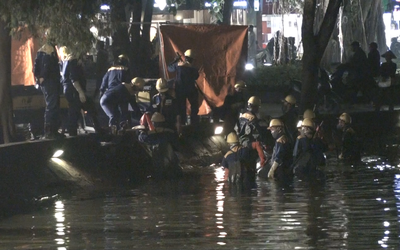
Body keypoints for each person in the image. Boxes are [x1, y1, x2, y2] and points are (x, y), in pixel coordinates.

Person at [59, 46, 102, 136]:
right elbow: (74, 78)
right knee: (78, 109)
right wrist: (81, 92)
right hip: (75, 90)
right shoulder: (73, 62)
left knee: (78, 108)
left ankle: (74, 131)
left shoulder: (65, 62)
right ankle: (95, 129)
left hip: (69, 89)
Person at [33, 32, 63, 139]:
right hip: (51, 82)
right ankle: (50, 131)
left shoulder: (41, 49)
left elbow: (36, 66)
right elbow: (48, 66)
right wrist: (43, 77)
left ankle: (52, 130)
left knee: (52, 105)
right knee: (52, 106)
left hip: (47, 83)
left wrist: (38, 77)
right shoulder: (50, 51)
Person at [138, 112, 182, 179]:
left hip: (157, 167)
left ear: (153, 123)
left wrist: (142, 132)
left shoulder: (149, 135)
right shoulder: (170, 133)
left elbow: (141, 139)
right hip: (171, 167)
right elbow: (177, 146)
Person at [168, 49, 200, 125]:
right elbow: (196, 76)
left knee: (181, 107)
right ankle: (194, 123)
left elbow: (169, 68)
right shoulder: (193, 69)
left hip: (180, 90)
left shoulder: (178, 65)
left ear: (185, 57)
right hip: (191, 90)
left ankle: (182, 123)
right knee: (194, 106)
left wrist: (175, 61)